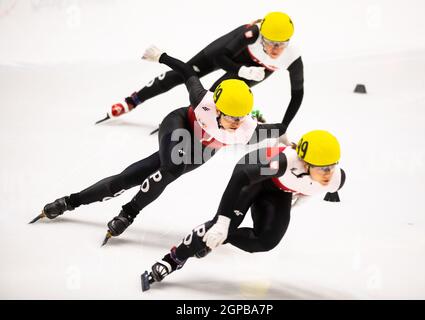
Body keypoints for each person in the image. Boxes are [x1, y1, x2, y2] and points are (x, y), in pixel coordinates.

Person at [30, 46, 288, 246]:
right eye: (231, 117)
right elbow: (188, 72)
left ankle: (90, 206)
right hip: (180, 125)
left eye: (240, 118)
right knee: (171, 168)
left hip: (202, 150)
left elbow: (279, 130)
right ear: (218, 108)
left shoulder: (248, 129)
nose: (235, 123)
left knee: (130, 178)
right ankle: (105, 209)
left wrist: (289, 143)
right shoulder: (203, 101)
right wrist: (160, 56)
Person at [140, 130, 346, 291]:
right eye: (322, 168)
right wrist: (222, 223)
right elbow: (240, 176)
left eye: (331, 167)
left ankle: (223, 238)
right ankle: (173, 259)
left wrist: (304, 195)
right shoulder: (283, 163)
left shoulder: (336, 179)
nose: (328, 174)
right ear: (304, 163)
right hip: (252, 178)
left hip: (279, 190)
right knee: (221, 226)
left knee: (266, 241)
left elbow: (324, 188)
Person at [100, 12, 303, 130]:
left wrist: (284, 126)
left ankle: (243, 112)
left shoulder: (292, 57)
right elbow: (219, 58)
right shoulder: (250, 34)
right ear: (262, 36)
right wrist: (242, 70)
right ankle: (131, 101)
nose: (275, 49)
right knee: (183, 74)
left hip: (257, 68)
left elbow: (297, 94)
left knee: (216, 95)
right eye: (269, 43)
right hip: (228, 54)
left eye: (281, 44)